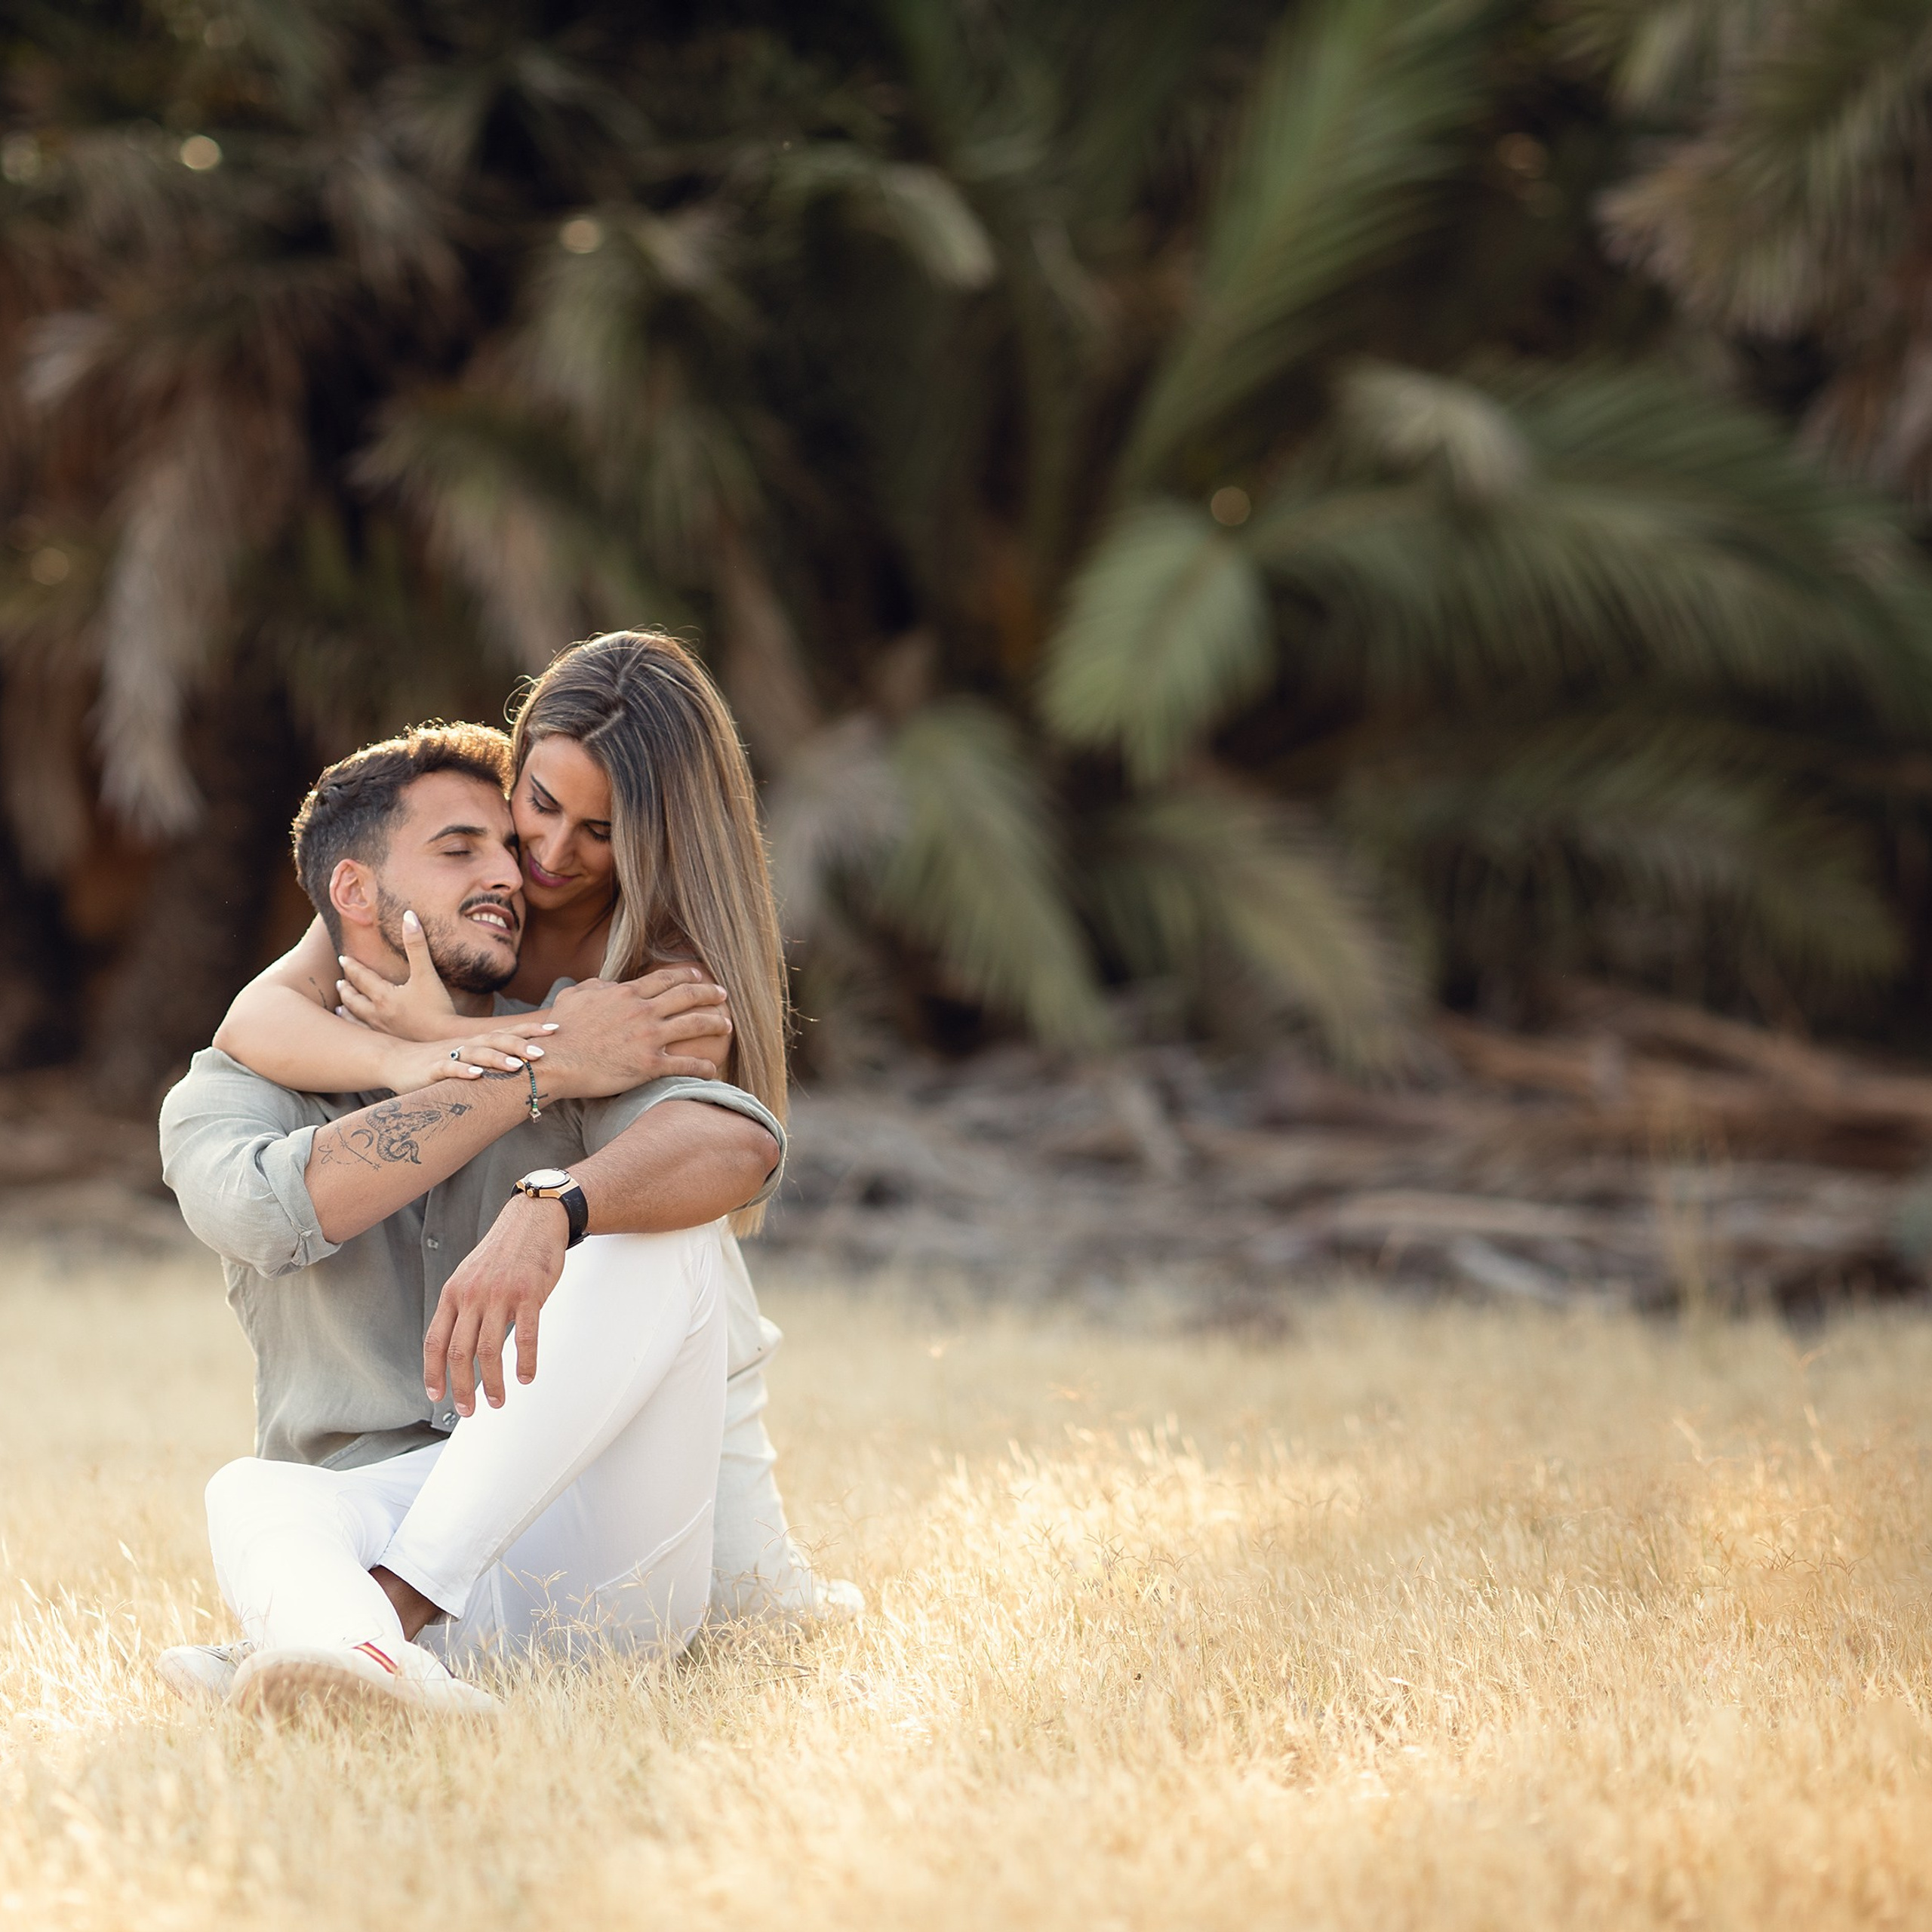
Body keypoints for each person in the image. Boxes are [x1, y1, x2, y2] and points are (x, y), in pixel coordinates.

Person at [208, 633, 854, 1635]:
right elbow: (254, 1024)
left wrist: (548, 1196)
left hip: (665, 1385)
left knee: (753, 1602)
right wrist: (426, 1049)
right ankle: (384, 1626)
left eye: (601, 831)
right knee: (258, 1500)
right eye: (540, 807)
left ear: (658, 835)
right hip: (507, 1442)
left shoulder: (657, 957)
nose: (550, 857)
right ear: (517, 766)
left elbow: (726, 1147)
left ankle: (398, 1612)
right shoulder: (447, 880)